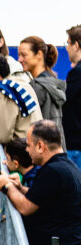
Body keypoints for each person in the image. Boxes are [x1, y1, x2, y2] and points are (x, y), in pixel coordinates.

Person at [0, 53, 43, 144]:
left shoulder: (3, 91)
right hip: (35, 147)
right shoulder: (20, 83)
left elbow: (0, 135)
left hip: (22, 152)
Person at [19, 36, 65, 126]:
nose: (19, 60)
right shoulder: (54, 83)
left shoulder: (36, 87)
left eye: (23, 55)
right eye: (19, 55)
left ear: (39, 54)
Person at [65, 26, 81, 168]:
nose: (67, 48)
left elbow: (66, 103)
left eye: (68, 43)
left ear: (76, 45)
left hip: (76, 145)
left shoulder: (76, 73)